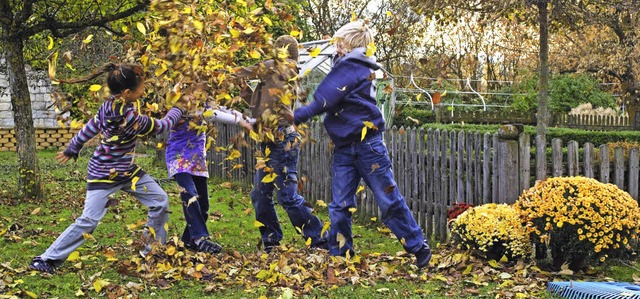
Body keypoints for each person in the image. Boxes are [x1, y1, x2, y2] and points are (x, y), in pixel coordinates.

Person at [292, 20, 432, 268]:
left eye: (339, 42)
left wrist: (295, 116)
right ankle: (341, 253)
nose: (335, 47)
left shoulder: (353, 66)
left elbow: (324, 100)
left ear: (349, 43)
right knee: (339, 205)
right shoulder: (348, 65)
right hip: (345, 148)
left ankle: (417, 244)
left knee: (388, 200)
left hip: (368, 147)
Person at [29, 63, 185, 273]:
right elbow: (162, 126)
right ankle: (46, 259)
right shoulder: (128, 118)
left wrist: (73, 148)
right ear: (128, 93)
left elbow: (92, 125)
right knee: (89, 221)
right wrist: (179, 108)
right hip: (104, 173)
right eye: (141, 88)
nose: (144, 91)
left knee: (160, 201)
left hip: (127, 172)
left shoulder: (109, 104)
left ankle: (151, 253)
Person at [235, 35, 327, 252]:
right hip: (269, 141)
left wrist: (231, 74)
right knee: (259, 193)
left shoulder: (284, 72)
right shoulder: (273, 77)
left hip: (283, 142)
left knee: (286, 195)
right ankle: (271, 240)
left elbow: (245, 71)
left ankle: (319, 238)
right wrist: (244, 90)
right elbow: (259, 106)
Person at [166, 100, 254, 254]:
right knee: (191, 196)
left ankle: (188, 241)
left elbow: (224, 109)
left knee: (204, 205)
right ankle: (200, 239)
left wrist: (248, 120)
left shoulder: (204, 102)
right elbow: (213, 115)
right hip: (178, 157)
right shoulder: (180, 104)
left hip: (197, 159)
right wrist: (241, 122)